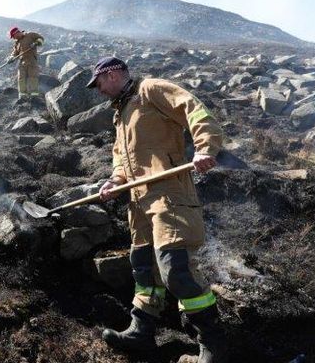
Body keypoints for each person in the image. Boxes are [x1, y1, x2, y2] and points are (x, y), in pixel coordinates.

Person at [89, 57, 228, 363]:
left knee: (175, 269)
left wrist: (205, 147)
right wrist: (114, 180)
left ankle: (213, 345)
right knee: (143, 266)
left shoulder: (149, 89)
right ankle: (141, 330)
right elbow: (120, 156)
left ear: (111, 74)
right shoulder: (121, 112)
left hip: (169, 192)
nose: (98, 91)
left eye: (98, 83)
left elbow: (192, 107)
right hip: (137, 199)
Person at [7, 26, 44, 102]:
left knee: (33, 77)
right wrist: (11, 57)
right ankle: (22, 96)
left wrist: (36, 43)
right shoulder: (17, 42)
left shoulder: (30, 35)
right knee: (21, 78)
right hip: (22, 62)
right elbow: (15, 52)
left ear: (16, 33)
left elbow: (41, 38)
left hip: (32, 61)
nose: (14, 38)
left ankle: (34, 96)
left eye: (14, 36)